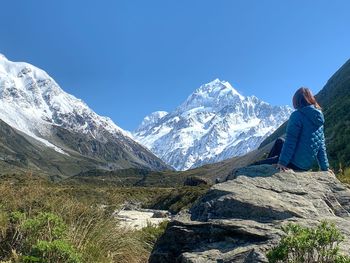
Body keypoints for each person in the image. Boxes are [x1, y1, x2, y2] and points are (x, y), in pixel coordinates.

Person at [253, 87, 331, 172]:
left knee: (255, 166)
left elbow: (291, 141)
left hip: (294, 163)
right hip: (306, 165)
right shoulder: (319, 117)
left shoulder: (297, 115)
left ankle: (273, 164)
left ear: (296, 100)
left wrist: (282, 163)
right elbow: (321, 146)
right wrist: (325, 168)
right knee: (279, 141)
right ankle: (274, 160)